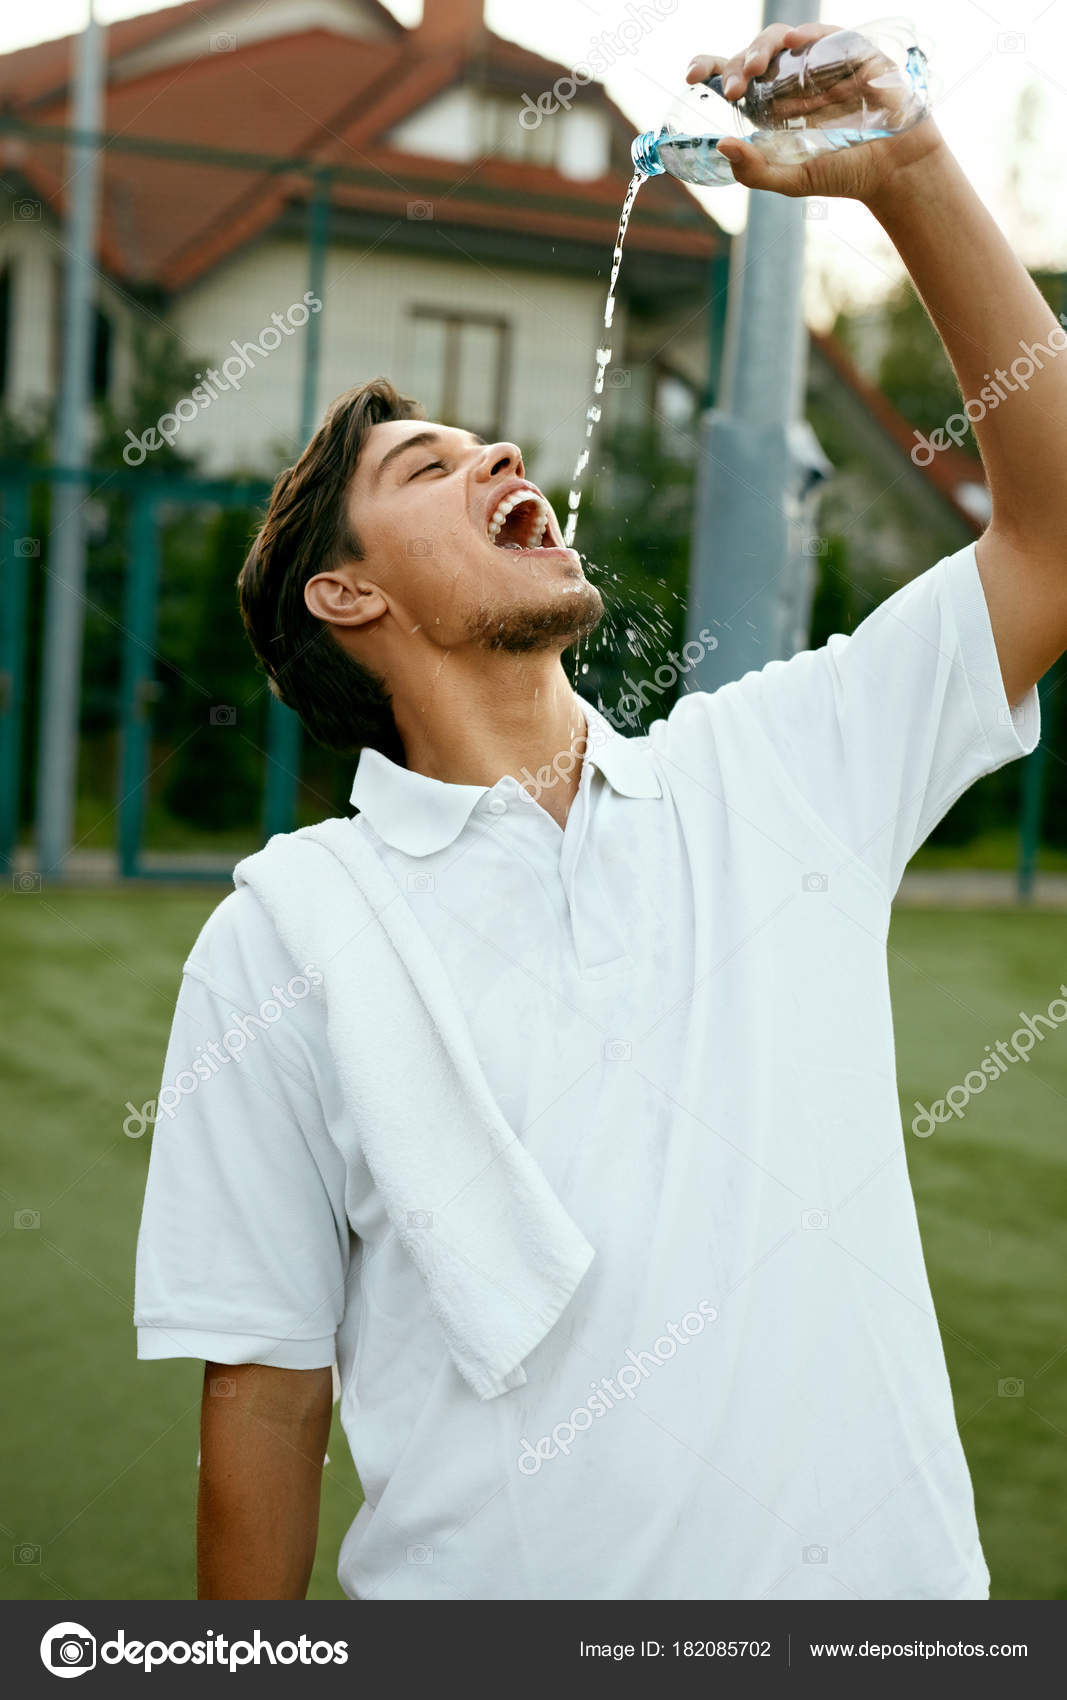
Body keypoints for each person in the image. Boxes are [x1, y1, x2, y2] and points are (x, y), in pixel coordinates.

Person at [133, 20, 1067, 1601]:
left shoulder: (779, 771)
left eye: (477, 439)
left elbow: (1050, 539)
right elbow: (270, 1394)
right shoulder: (282, 941)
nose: (498, 446)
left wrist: (909, 173)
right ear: (343, 593)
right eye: (427, 464)